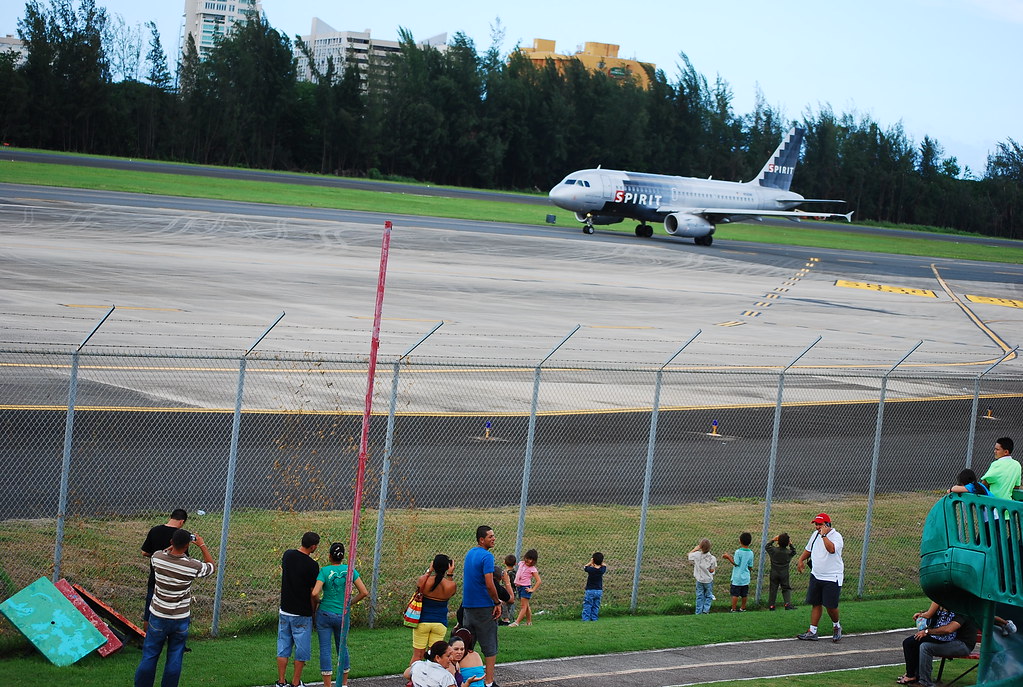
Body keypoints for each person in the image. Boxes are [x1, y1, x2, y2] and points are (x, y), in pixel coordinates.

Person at [133, 527, 214, 687]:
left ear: (171, 542)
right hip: (180, 618)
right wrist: (202, 545)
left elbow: (163, 552)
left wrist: (172, 546)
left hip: (158, 615)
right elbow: (211, 566)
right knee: (175, 657)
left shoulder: (157, 558)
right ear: (187, 545)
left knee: (150, 656)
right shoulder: (192, 566)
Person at [313, 542, 368, 687]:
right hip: (342, 614)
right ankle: (344, 683)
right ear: (343, 556)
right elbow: (364, 592)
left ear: (329, 556)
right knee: (342, 647)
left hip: (325, 613)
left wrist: (318, 601)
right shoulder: (350, 570)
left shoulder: (325, 571)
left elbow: (314, 592)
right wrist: (349, 603)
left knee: (325, 649)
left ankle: (327, 685)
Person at [276, 531, 320, 687]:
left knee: (283, 646)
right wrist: (314, 609)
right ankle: (296, 682)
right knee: (301, 649)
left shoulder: (288, 555)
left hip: (285, 609)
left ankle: (281, 681)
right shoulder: (312, 565)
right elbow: (313, 592)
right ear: (313, 546)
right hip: (302, 612)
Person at [897, 602, 978, 686]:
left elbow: (949, 629)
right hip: (950, 640)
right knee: (914, 642)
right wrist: (922, 614)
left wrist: (927, 631)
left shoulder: (961, 609)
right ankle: (913, 675)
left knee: (925, 647)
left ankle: (925, 682)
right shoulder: (949, 606)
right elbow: (932, 614)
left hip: (962, 645)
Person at [461, 526, 501, 687]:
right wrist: (497, 602)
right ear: (481, 539)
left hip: (468, 606)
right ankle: (489, 681)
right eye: (490, 536)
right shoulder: (487, 556)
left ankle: (463, 679)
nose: (493, 538)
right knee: (490, 644)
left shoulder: (470, 553)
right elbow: (489, 583)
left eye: (493, 535)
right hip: (483, 606)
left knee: (466, 644)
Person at [796, 513, 844, 642]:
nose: (817, 527)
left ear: (827, 525)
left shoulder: (836, 536)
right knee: (816, 603)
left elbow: (831, 549)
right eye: (816, 524)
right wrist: (800, 560)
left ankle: (836, 626)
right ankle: (812, 631)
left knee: (831, 606)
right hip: (816, 575)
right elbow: (808, 549)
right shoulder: (815, 535)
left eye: (820, 524)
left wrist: (824, 535)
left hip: (832, 577)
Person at [140, 508, 187, 631]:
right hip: (174, 581)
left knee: (150, 609)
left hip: (155, 577)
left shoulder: (155, 530)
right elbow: (183, 557)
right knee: (172, 611)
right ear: (182, 521)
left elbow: (144, 552)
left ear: (171, 517)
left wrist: (158, 557)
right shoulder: (180, 536)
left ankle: (145, 635)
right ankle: (171, 634)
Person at [412, 554, 457, 666]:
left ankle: (413, 676)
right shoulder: (451, 585)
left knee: (418, 656)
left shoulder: (424, 581)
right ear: (448, 567)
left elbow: (420, 583)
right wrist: (450, 574)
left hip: (422, 622)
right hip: (440, 623)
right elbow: (450, 590)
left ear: (433, 565)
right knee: (435, 657)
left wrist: (429, 570)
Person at [721, 532, 753, 612]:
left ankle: (734, 608)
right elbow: (750, 565)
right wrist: (748, 572)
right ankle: (743, 607)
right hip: (746, 577)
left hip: (737, 578)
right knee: (744, 594)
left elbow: (736, 563)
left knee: (735, 594)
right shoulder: (751, 553)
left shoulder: (738, 552)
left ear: (740, 541)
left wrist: (728, 557)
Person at [764, 533, 797, 610]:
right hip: (784, 573)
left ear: (778, 542)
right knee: (786, 588)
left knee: (773, 589)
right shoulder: (788, 552)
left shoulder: (773, 550)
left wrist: (773, 540)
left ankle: (771, 605)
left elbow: (767, 546)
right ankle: (787, 604)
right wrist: (791, 544)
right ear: (787, 543)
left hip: (774, 572)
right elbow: (794, 551)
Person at [510, 548, 541, 626]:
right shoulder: (521, 563)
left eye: (532, 560)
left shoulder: (532, 569)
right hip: (519, 587)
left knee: (523, 606)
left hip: (525, 588)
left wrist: (532, 589)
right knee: (526, 605)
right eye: (529, 559)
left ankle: (517, 622)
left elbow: (539, 581)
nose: (530, 561)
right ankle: (529, 622)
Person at [687, 539, 716, 615]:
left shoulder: (696, 555)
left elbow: (689, 555)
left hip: (699, 580)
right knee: (709, 595)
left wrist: (695, 549)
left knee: (700, 595)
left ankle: (698, 611)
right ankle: (706, 610)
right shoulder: (712, 558)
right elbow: (712, 570)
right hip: (708, 580)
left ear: (700, 547)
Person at [581, 552, 607, 621]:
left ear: (593, 560)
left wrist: (591, 562)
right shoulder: (602, 570)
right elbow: (604, 565)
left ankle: (586, 618)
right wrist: (599, 563)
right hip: (599, 590)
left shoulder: (591, 569)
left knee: (588, 604)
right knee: (596, 605)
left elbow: (585, 567)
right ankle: (594, 618)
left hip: (590, 590)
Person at [499, 555, 517, 625]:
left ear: (504, 562)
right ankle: (506, 618)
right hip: (514, 592)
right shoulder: (515, 573)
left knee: (504, 604)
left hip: (506, 591)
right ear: (515, 564)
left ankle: (506, 620)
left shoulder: (505, 573)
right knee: (507, 606)